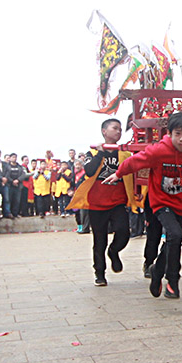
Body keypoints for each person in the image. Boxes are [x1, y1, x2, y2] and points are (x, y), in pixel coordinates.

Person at [107, 112, 182, 299]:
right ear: (169, 133)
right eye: (178, 133)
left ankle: (156, 271)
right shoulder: (159, 151)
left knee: (174, 240)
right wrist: (119, 173)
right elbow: (136, 161)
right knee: (175, 234)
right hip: (161, 203)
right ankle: (172, 281)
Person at [71, 119, 138, 286]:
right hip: (97, 203)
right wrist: (100, 153)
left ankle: (114, 251)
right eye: (115, 128)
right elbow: (89, 171)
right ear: (104, 131)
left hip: (118, 201)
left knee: (123, 231)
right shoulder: (92, 153)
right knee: (99, 240)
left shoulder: (124, 153)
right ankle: (99, 274)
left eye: (120, 129)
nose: (118, 132)